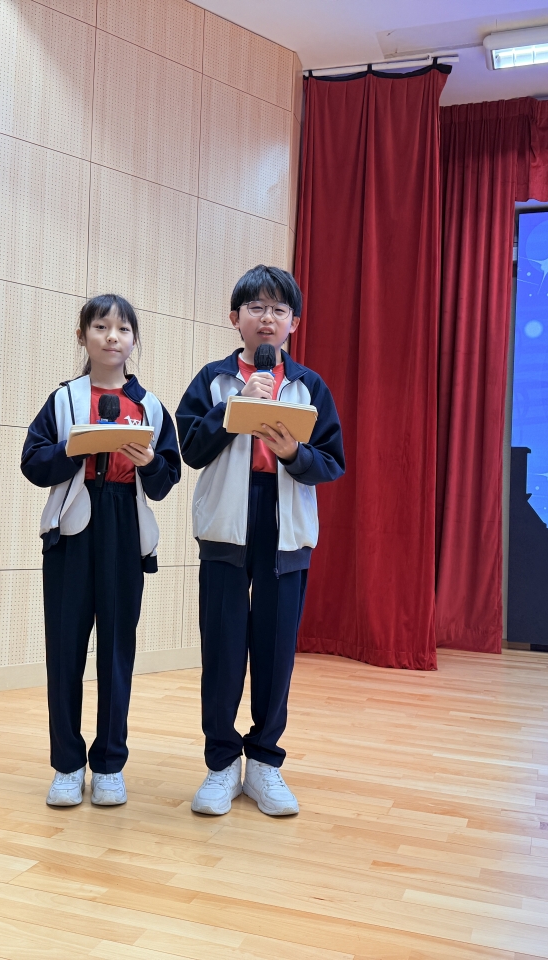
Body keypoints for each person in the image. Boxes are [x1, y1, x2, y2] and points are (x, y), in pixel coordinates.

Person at [176, 265, 345, 817]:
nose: (266, 318)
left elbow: (332, 462)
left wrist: (294, 453)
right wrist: (234, 408)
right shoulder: (213, 379)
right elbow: (190, 449)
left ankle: (266, 763)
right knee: (223, 650)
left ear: (294, 323)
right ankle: (222, 763)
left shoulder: (309, 386)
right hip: (227, 526)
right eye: (256, 308)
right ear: (235, 318)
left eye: (278, 309)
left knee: (275, 651)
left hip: (284, 525)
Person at [20, 294, 181, 807]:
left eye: (123, 329)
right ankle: (67, 764)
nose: (112, 337)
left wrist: (150, 461)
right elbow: (32, 462)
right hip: (71, 531)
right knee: (64, 649)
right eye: (101, 326)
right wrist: (72, 448)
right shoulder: (63, 400)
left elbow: (167, 479)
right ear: (82, 336)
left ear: (134, 341)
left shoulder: (151, 406)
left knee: (116, 650)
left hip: (123, 528)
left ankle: (110, 764)